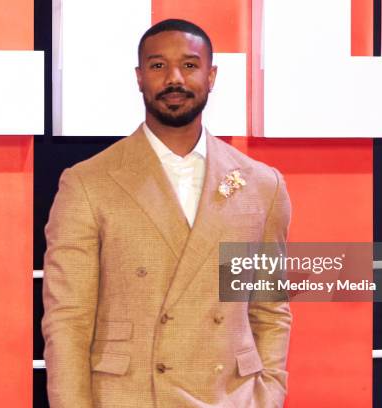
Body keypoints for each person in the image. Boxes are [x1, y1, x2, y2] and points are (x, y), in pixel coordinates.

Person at [42, 18, 291, 408]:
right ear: (139, 78)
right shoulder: (88, 183)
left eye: (189, 65)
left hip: (233, 397)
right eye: (158, 66)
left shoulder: (263, 185)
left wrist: (270, 391)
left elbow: (269, 308)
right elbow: (68, 320)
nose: (174, 78)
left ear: (211, 76)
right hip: (130, 397)